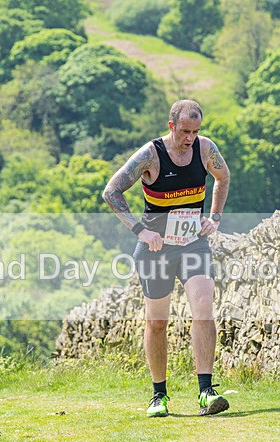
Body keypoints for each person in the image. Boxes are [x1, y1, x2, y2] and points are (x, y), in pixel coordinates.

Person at [102, 99, 231, 417]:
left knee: (203, 308)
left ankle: (206, 392)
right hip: (156, 249)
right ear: (171, 126)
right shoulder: (151, 154)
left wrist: (214, 217)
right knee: (157, 322)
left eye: (195, 131)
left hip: (193, 244)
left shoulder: (205, 149)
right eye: (185, 131)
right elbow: (111, 192)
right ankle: (158, 395)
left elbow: (223, 177)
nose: (190, 138)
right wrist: (140, 231)